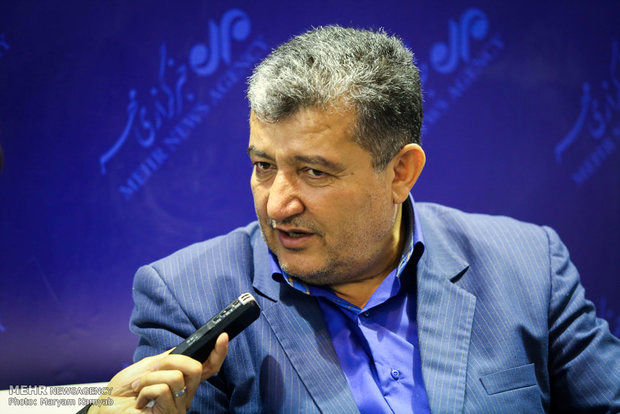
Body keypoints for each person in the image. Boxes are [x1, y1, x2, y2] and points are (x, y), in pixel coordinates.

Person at [120, 26, 619, 413]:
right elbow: (136, 404)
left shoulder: (528, 265)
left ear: (401, 172)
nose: (277, 206)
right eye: (263, 166)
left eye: (314, 172)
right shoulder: (186, 297)